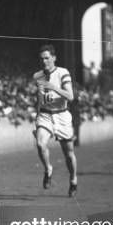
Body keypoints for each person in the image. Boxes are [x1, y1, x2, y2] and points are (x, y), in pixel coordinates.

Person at [33, 44, 78, 197]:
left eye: (47, 58)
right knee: (40, 143)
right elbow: (40, 99)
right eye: (42, 59)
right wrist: (37, 114)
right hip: (45, 115)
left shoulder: (62, 73)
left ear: (54, 58)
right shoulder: (37, 76)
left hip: (62, 115)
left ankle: (73, 179)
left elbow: (70, 96)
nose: (44, 61)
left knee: (69, 154)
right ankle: (48, 169)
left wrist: (53, 87)